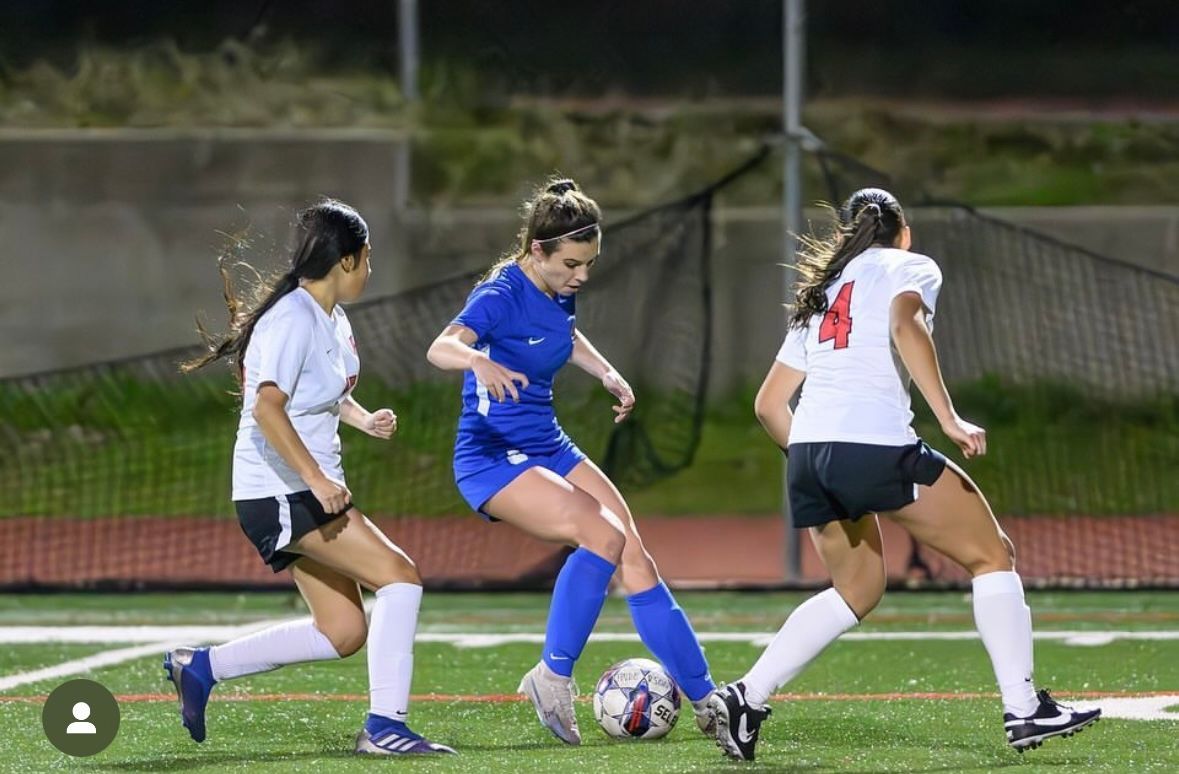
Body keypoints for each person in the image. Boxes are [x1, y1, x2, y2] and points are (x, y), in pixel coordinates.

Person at [710, 188, 1102, 762]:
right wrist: (949, 418)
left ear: (846, 234)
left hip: (810, 454)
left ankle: (747, 697)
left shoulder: (821, 294)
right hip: (872, 445)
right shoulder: (910, 265)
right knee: (992, 555)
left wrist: (821, 460)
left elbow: (769, 405)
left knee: (856, 591)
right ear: (904, 231)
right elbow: (906, 324)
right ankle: (1024, 707)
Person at [426, 178, 716, 745]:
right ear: (538, 250)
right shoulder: (501, 293)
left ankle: (706, 697)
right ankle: (552, 677)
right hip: (491, 455)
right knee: (602, 537)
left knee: (633, 551)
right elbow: (441, 346)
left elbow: (564, 331)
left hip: (548, 443)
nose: (582, 274)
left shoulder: (559, 287)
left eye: (589, 262)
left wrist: (605, 372)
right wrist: (476, 364)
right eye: (572, 263)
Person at [169, 199, 454, 756]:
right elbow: (268, 408)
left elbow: (323, 392)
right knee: (401, 576)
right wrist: (317, 480)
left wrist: (362, 418)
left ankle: (200, 666)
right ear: (346, 261)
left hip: (300, 489)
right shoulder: (292, 318)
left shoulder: (331, 317)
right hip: (282, 492)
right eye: (367, 259)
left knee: (344, 631)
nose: (370, 270)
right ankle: (385, 728)